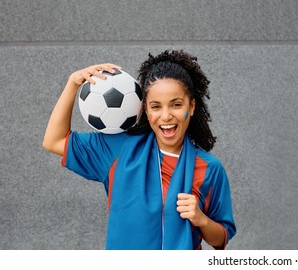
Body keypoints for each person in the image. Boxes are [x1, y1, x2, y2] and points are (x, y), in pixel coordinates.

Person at [43, 49, 236, 250]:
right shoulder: (119, 149)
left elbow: (221, 238)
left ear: (192, 106)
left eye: (176, 105)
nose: (166, 116)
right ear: (146, 110)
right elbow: (53, 140)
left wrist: (201, 219)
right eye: (155, 106)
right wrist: (73, 84)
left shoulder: (209, 168)